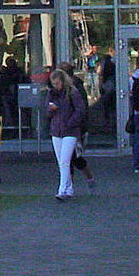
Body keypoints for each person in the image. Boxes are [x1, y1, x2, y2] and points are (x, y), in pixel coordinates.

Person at [46, 68, 86, 200]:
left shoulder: (72, 92)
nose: (56, 86)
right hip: (57, 130)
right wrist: (51, 110)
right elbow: (47, 111)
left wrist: (70, 122)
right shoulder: (52, 93)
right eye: (54, 84)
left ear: (63, 81)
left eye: (57, 83)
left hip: (70, 130)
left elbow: (80, 110)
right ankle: (69, 188)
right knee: (62, 162)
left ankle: (62, 189)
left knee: (64, 161)